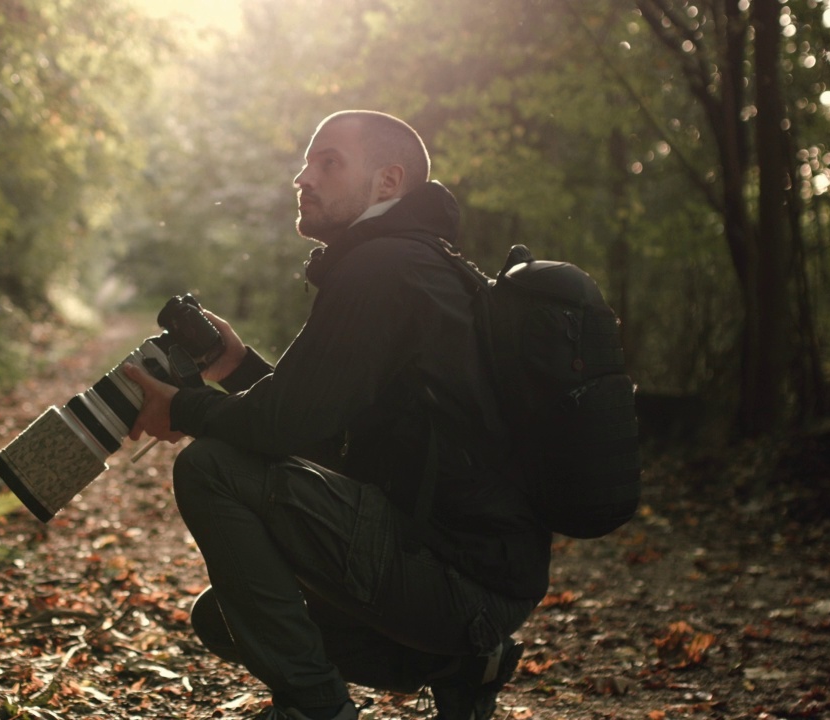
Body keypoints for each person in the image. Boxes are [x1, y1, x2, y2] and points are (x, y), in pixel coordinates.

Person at [122, 110, 550, 720]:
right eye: (305, 162)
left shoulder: (381, 269)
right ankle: (461, 665)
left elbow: (283, 428)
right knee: (227, 616)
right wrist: (239, 369)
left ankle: (316, 708)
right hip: (481, 578)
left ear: (387, 182)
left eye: (328, 163)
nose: (303, 177)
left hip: (456, 574)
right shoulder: (414, 261)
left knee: (210, 467)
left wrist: (184, 407)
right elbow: (327, 425)